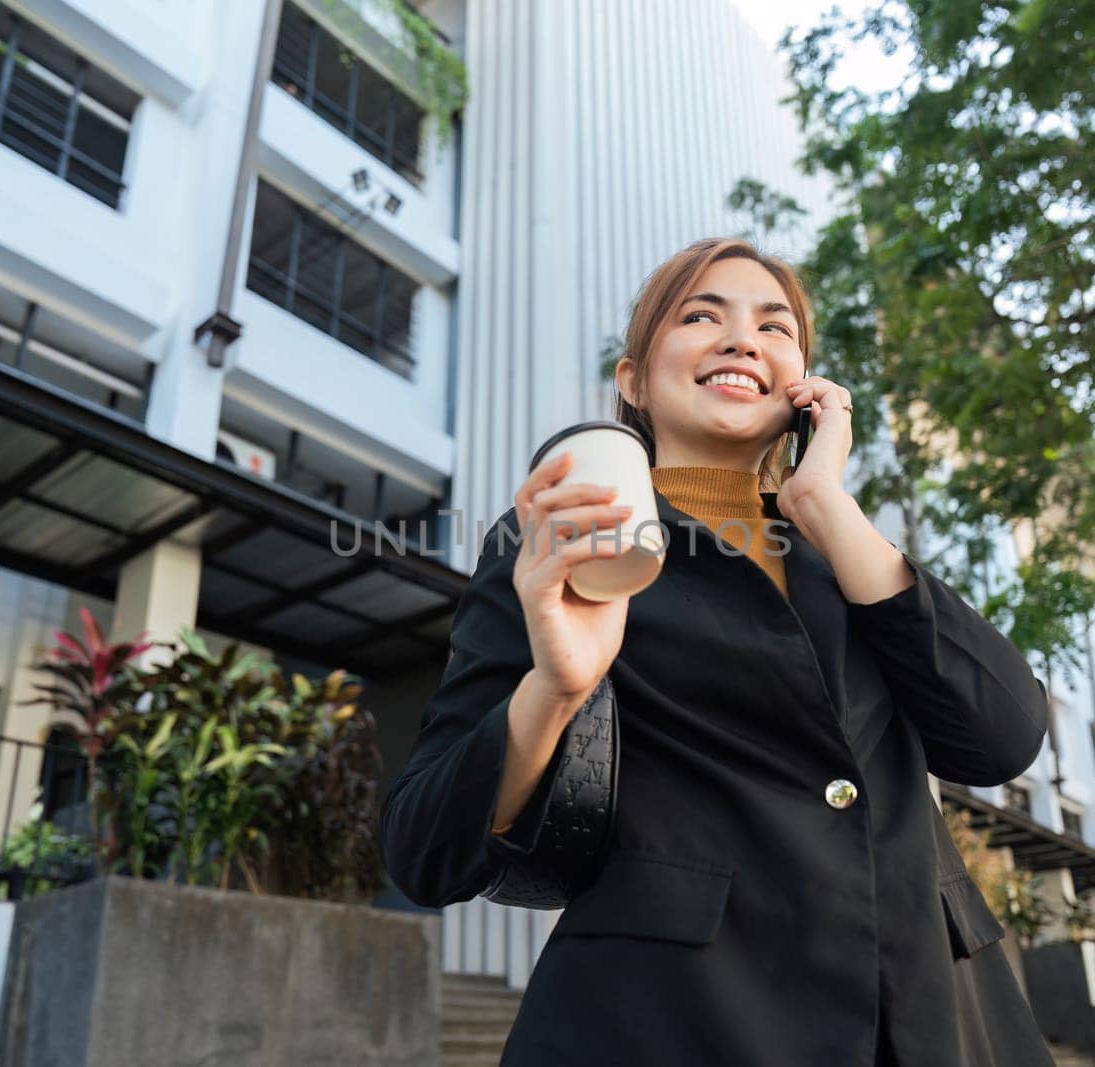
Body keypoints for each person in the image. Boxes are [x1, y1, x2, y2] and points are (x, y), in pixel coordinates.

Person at [379, 237, 1057, 1066]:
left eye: (776, 329)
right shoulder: (563, 548)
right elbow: (422, 847)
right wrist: (556, 688)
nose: (742, 340)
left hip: (932, 1019)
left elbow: (1003, 737)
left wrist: (825, 503)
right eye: (702, 315)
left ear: (806, 389)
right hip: (675, 1021)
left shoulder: (852, 558)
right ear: (632, 381)